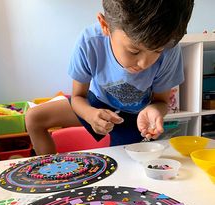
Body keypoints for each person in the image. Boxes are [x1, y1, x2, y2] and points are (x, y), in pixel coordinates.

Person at [25, 0, 194, 156]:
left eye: (157, 51)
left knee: (128, 164)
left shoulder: (170, 49)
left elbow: (162, 102)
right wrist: (90, 114)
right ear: (105, 25)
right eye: (134, 51)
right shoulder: (90, 41)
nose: (144, 63)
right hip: (96, 103)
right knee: (33, 118)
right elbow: (77, 97)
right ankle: (48, 174)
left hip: (137, 116)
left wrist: (155, 110)